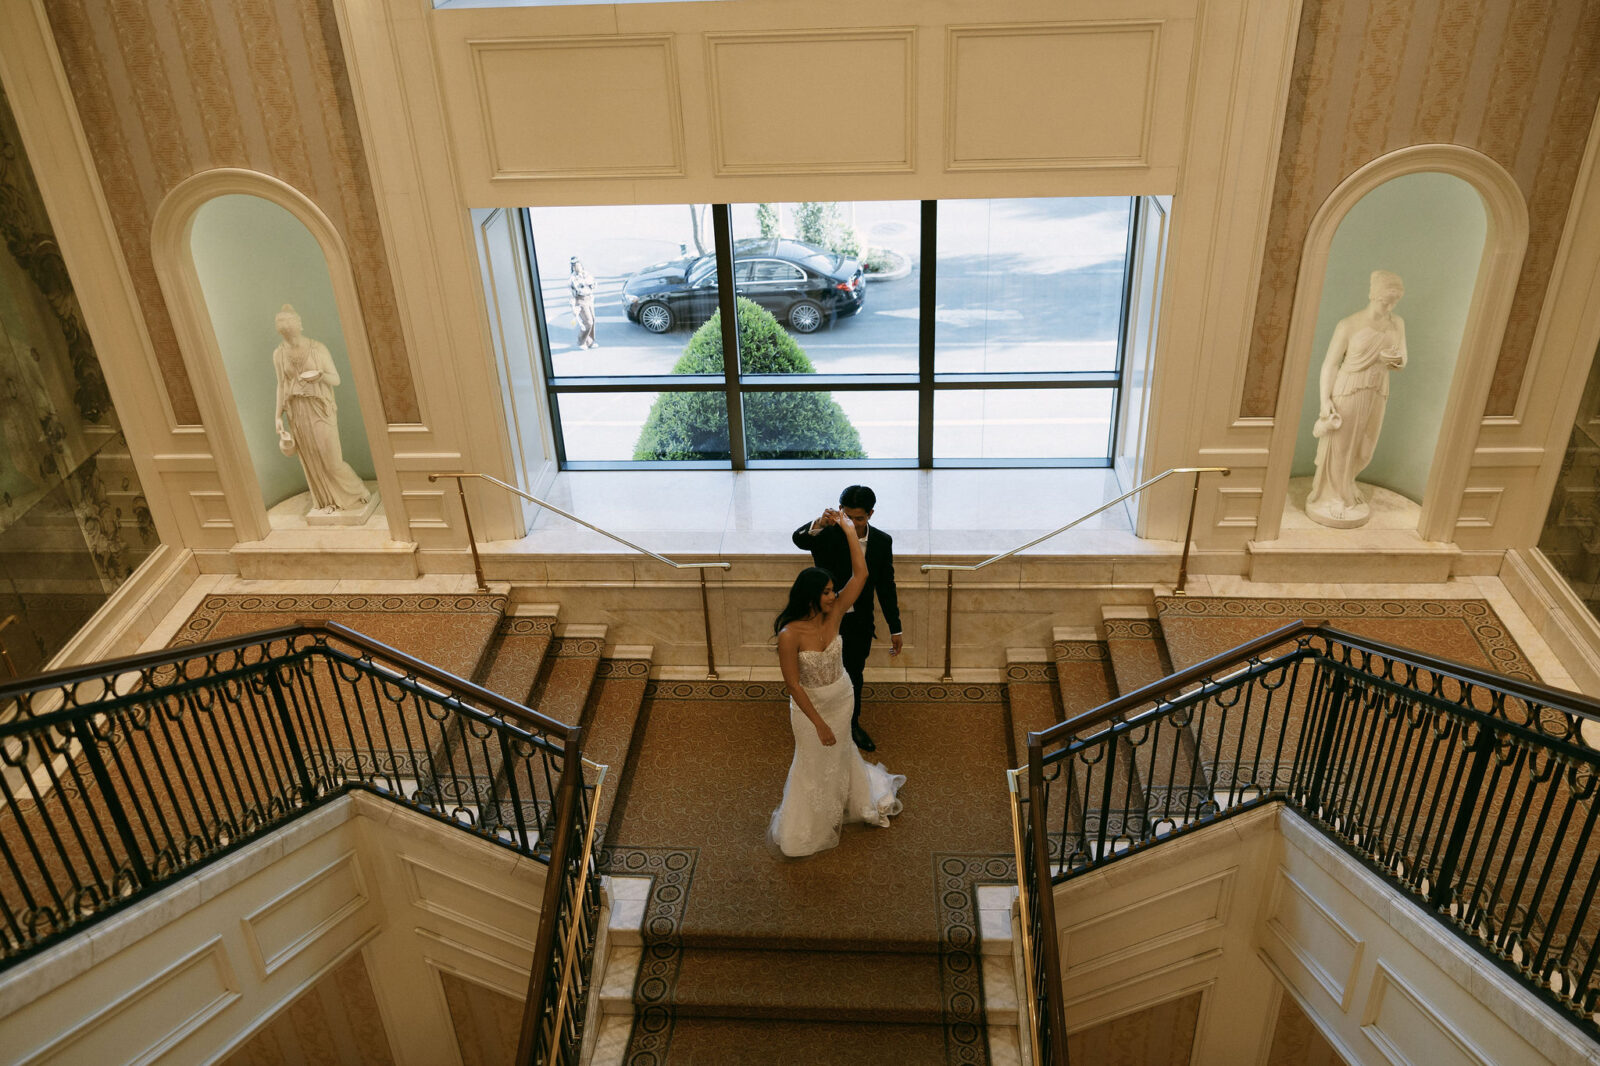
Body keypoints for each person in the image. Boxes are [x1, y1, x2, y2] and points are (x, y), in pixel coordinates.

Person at [770, 508, 905, 858]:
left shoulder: (836, 614)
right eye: (828, 591)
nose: (834, 595)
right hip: (810, 708)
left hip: (842, 697)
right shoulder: (789, 634)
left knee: (842, 749)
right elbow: (793, 686)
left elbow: (862, 574)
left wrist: (849, 530)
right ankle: (808, 821)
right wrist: (818, 724)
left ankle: (850, 796)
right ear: (812, 595)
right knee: (812, 761)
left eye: (834, 590)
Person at [792, 485, 901, 752]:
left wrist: (895, 627)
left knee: (854, 673)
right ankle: (818, 721)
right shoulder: (828, 533)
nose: (851, 523)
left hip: (859, 622)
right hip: (823, 618)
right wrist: (819, 521)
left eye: (859, 518)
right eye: (847, 516)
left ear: (871, 514)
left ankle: (852, 724)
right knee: (820, 673)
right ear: (840, 511)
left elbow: (886, 586)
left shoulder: (882, 542)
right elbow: (800, 540)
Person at [1306, 270, 1408, 528]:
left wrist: (1395, 361)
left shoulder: (1397, 323)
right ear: (1373, 294)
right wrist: (1324, 401)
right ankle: (1335, 497)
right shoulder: (1349, 324)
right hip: (1349, 390)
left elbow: (1403, 359)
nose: (1390, 305)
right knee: (1341, 446)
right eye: (1386, 299)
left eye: (1394, 300)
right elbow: (1329, 365)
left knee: (1365, 447)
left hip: (1378, 390)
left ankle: (1347, 482)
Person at [272, 304, 369, 514]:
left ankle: (357, 491)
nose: (286, 328)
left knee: (332, 460)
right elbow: (281, 384)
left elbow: (336, 379)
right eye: (282, 325)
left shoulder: (318, 349)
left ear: (299, 325)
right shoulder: (279, 354)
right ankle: (328, 501)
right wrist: (278, 415)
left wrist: (320, 376)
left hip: (320, 408)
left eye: (290, 323)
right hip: (297, 411)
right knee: (312, 458)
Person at [570, 257, 597, 350]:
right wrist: (573, 307)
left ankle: (590, 341)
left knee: (593, 320)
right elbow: (573, 293)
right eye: (576, 266)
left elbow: (594, 283)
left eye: (579, 265)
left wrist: (592, 286)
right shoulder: (573, 278)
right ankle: (581, 342)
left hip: (589, 298)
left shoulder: (587, 274)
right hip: (580, 300)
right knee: (588, 322)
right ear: (573, 268)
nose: (578, 267)